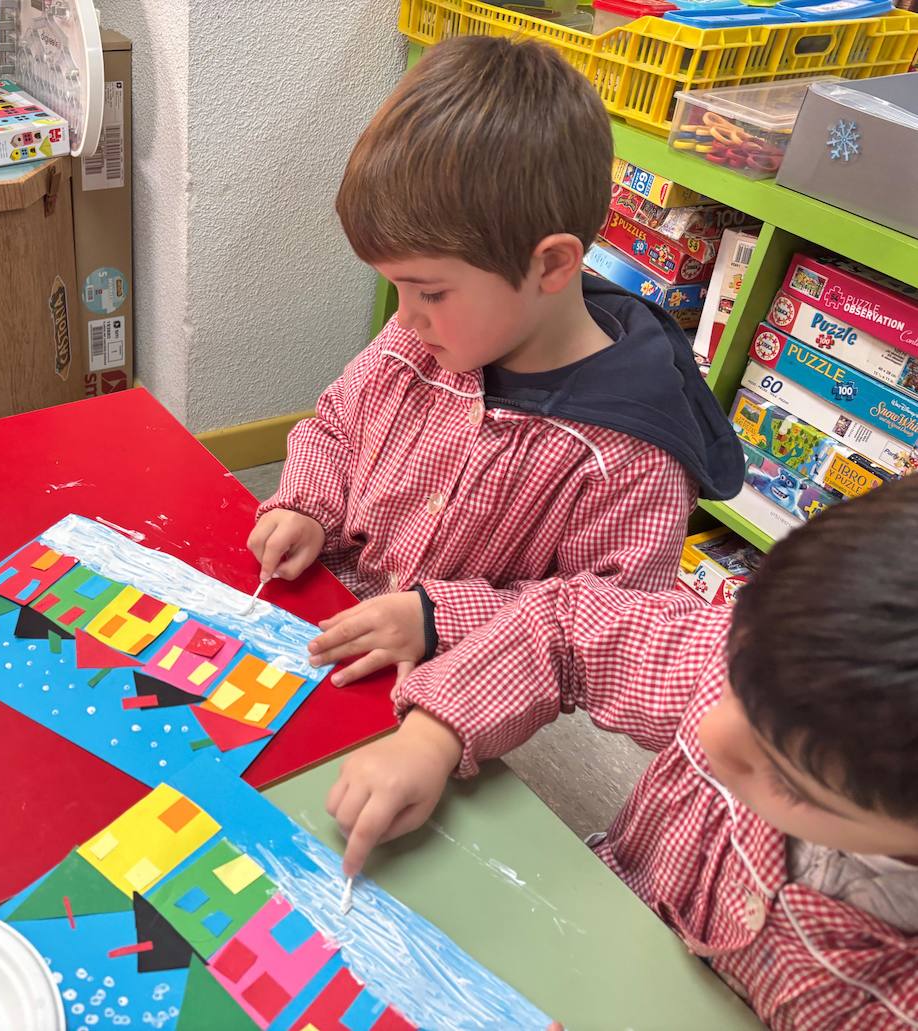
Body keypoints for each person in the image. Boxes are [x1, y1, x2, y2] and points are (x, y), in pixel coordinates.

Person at [332, 475, 918, 1027]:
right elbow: (564, 625)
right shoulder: (777, 662)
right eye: (736, 665)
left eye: (787, 779)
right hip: (576, 923)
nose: (711, 733)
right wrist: (432, 736)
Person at [249, 36, 741, 688]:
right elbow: (338, 426)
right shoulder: (421, 338)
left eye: (429, 290)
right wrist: (307, 505)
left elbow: (603, 633)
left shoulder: (630, 456)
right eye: (397, 286)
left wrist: (435, 618)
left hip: (455, 694)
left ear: (552, 265)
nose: (406, 315)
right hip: (326, 631)